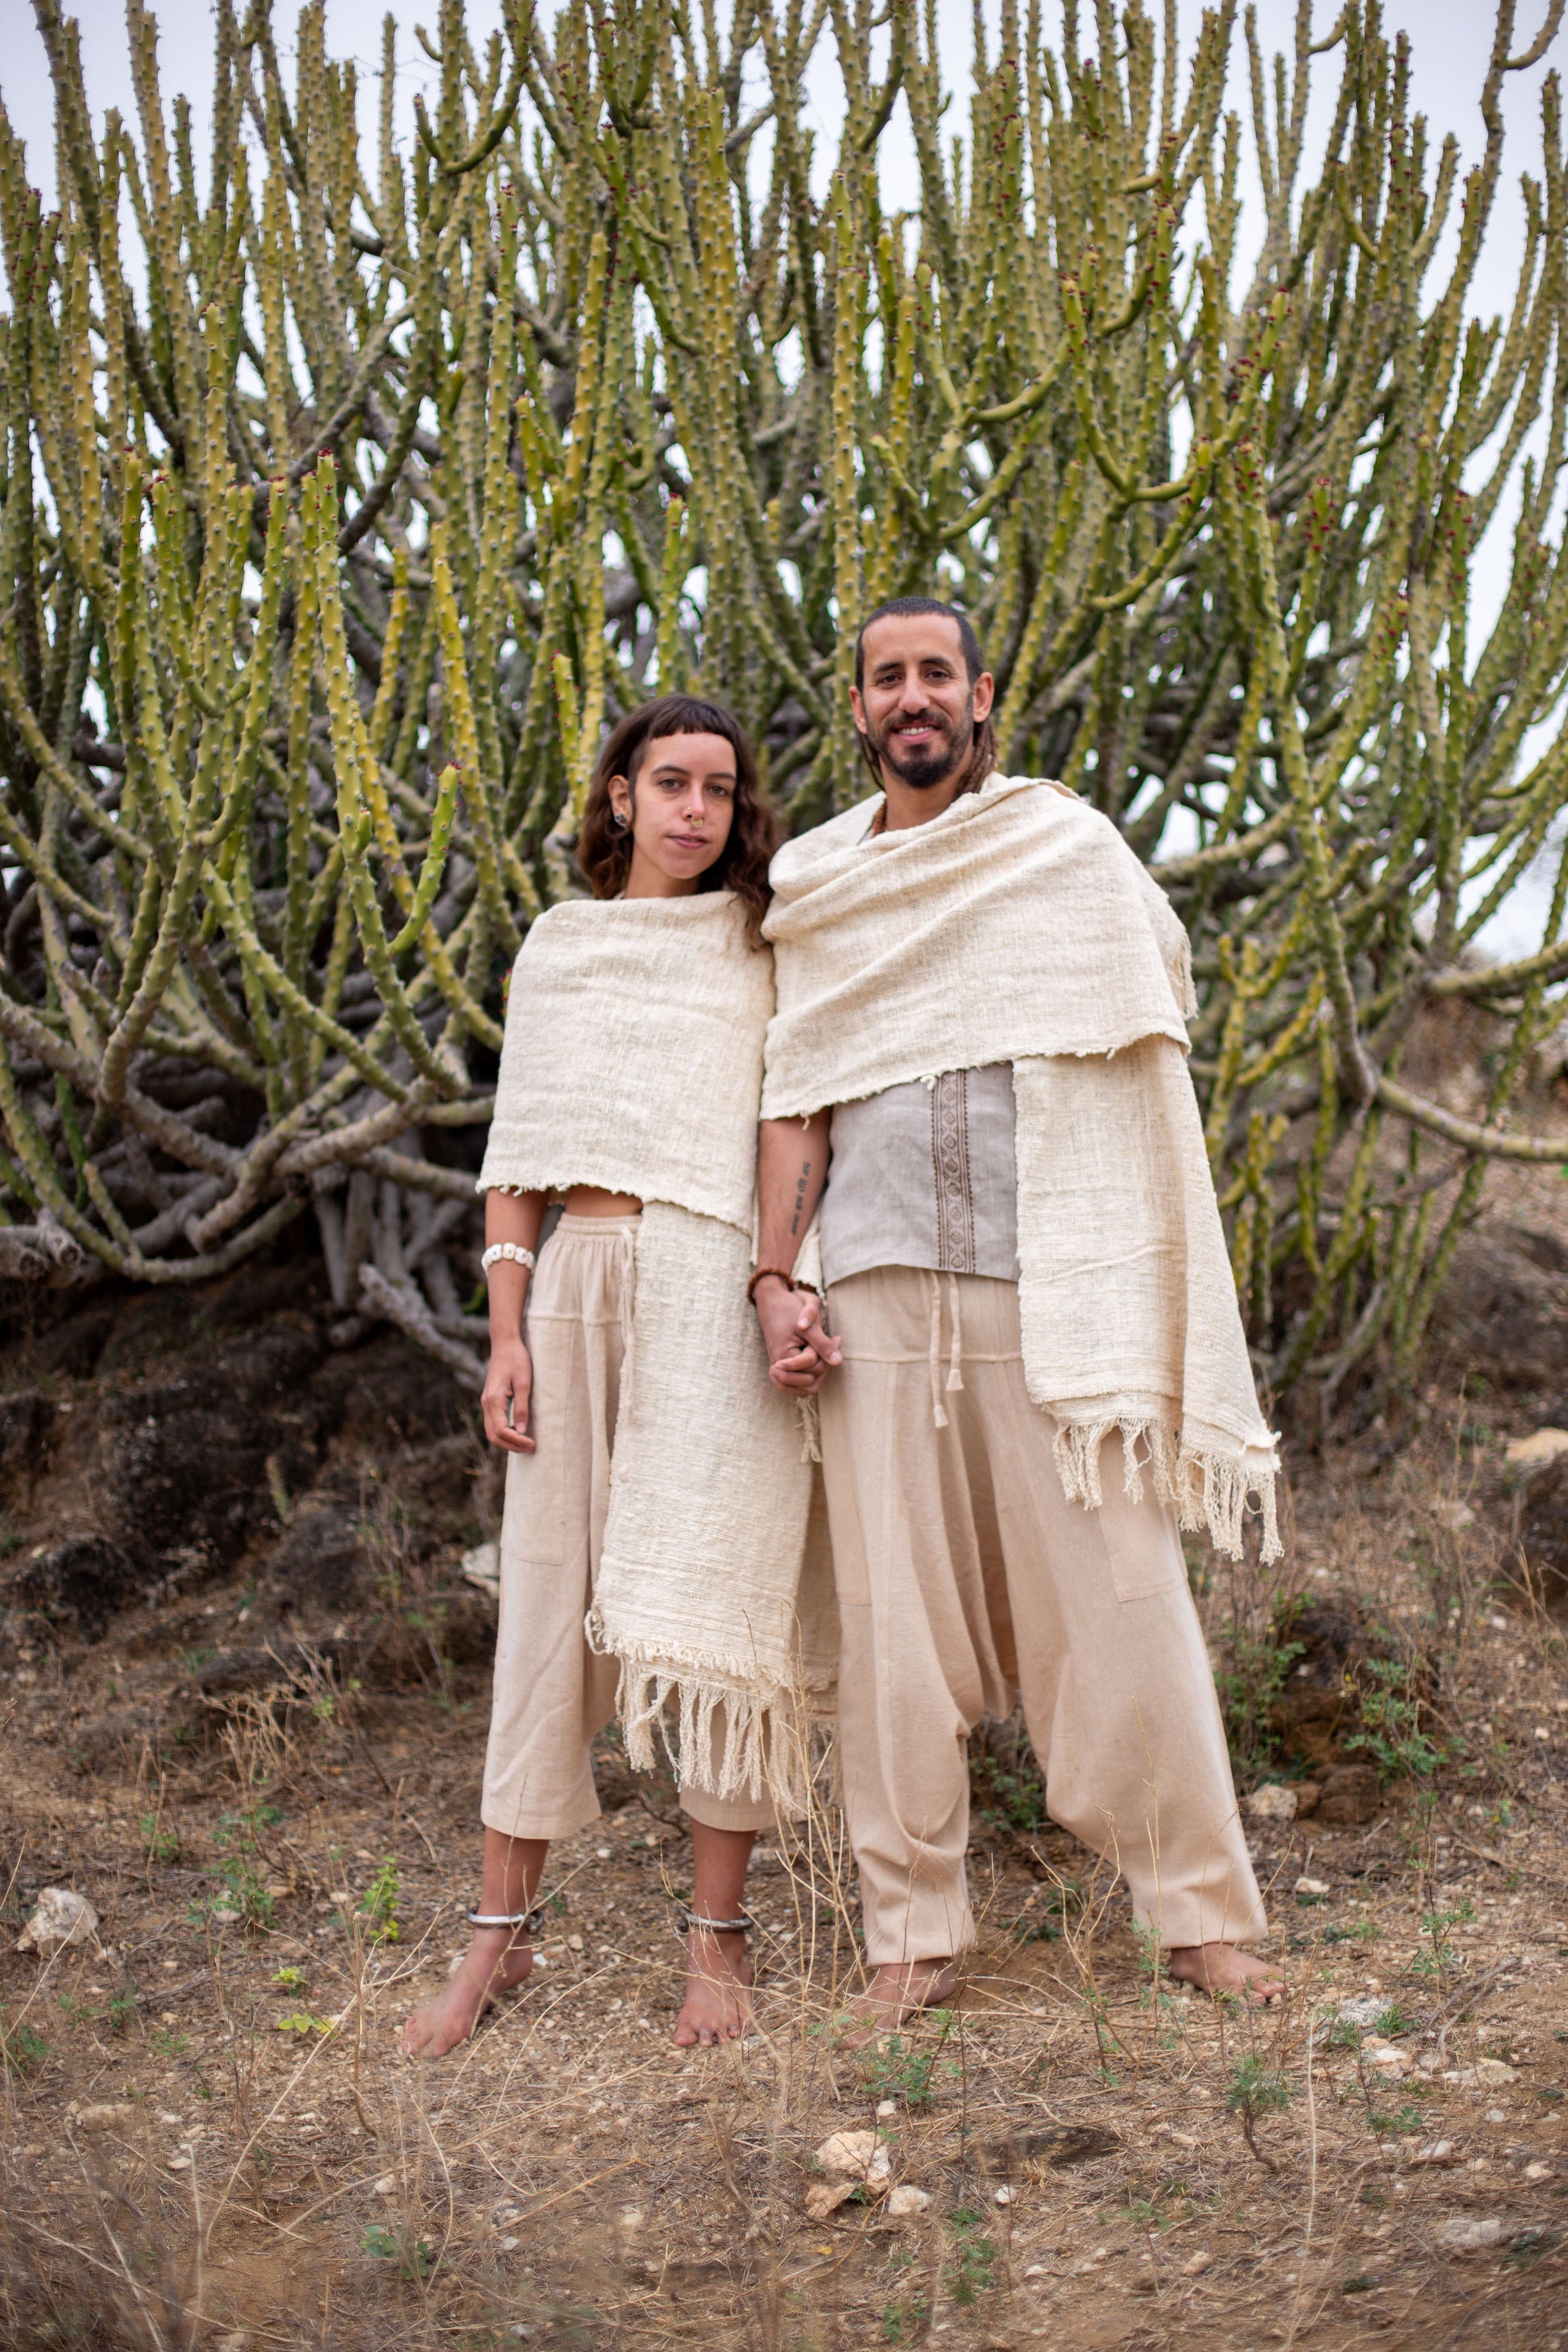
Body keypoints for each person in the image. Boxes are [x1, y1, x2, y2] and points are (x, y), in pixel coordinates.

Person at [750, 597, 1284, 2035]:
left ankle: (1199, 1918)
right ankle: (910, 1935)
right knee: (888, 1620)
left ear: (980, 696)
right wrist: (773, 1274)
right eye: (885, 678)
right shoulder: (815, 883)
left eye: (935, 673)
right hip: (869, 1285)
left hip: (1053, 1286)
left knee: (1124, 1599)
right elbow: (794, 1098)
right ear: (858, 708)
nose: (911, 697)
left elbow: (1146, 992)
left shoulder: (1061, 849)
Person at [403, 695, 831, 2059]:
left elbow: (793, 1122)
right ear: (618, 800)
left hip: (710, 1286)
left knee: (718, 1603)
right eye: (668, 785)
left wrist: (779, 1277)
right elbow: (516, 1159)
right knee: (546, 1591)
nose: (695, 810)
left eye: (718, 787)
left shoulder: (763, 947)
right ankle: (496, 1942)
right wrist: (508, 1329)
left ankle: (717, 1946)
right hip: (574, 1277)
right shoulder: (562, 947)